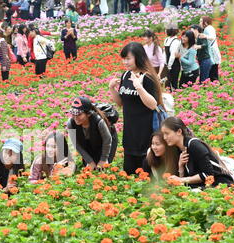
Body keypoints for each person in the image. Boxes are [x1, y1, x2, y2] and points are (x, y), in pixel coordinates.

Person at [108, 42, 163, 175]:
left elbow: (153, 105)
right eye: (123, 58)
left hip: (146, 132)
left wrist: (139, 87)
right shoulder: (126, 75)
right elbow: (122, 102)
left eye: (128, 58)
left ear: (138, 57)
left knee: (145, 173)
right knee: (129, 172)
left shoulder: (148, 77)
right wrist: (111, 89)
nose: (125, 62)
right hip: (130, 133)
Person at [161, 117, 234, 188]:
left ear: (179, 131)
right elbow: (185, 183)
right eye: (163, 134)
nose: (164, 137)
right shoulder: (179, 149)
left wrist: (181, 180)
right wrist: (181, 167)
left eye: (167, 133)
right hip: (203, 187)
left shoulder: (194, 145)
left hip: (220, 184)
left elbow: (208, 174)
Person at [67, 97, 118, 170]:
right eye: (73, 113)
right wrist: (89, 161)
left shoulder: (98, 122)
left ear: (88, 114)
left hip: (106, 142)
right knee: (90, 168)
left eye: (79, 114)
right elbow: (76, 144)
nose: (75, 117)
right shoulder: (70, 123)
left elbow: (107, 140)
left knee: (102, 168)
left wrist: (103, 160)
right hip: (88, 143)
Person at [200, 16, 221, 82]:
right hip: (211, 51)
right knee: (213, 69)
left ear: (205, 22)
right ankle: (214, 83)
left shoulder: (208, 28)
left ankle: (214, 83)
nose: (200, 23)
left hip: (212, 52)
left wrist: (205, 36)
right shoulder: (209, 28)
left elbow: (212, 37)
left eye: (201, 21)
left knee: (213, 69)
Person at [164, 26, 181, 90]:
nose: (165, 30)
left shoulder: (175, 41)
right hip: (167, 63)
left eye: (166, 29)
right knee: (167, 82)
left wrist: (169, 66)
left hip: (174, 64)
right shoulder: (166, 39)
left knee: (174, 81)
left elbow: (172, 55)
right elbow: (165, 52)